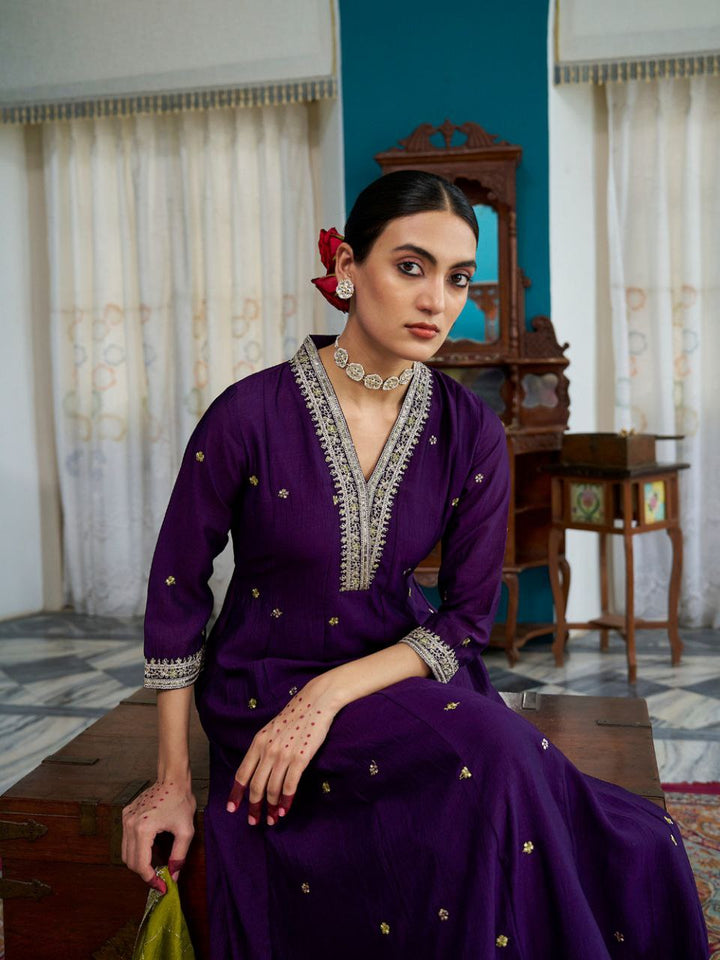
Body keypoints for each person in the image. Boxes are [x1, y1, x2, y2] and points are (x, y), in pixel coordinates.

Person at [122, 170, 709, 959]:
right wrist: (170, 781)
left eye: (459, 277)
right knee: (497, 760)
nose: (439, 299)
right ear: (347, 269)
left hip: (395, 669)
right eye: (411, 266)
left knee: (637, 842)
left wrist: (327, 696)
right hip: (262, 680)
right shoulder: (248, 414)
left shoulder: (470, 430)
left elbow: (466, 618)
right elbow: (175, 592)